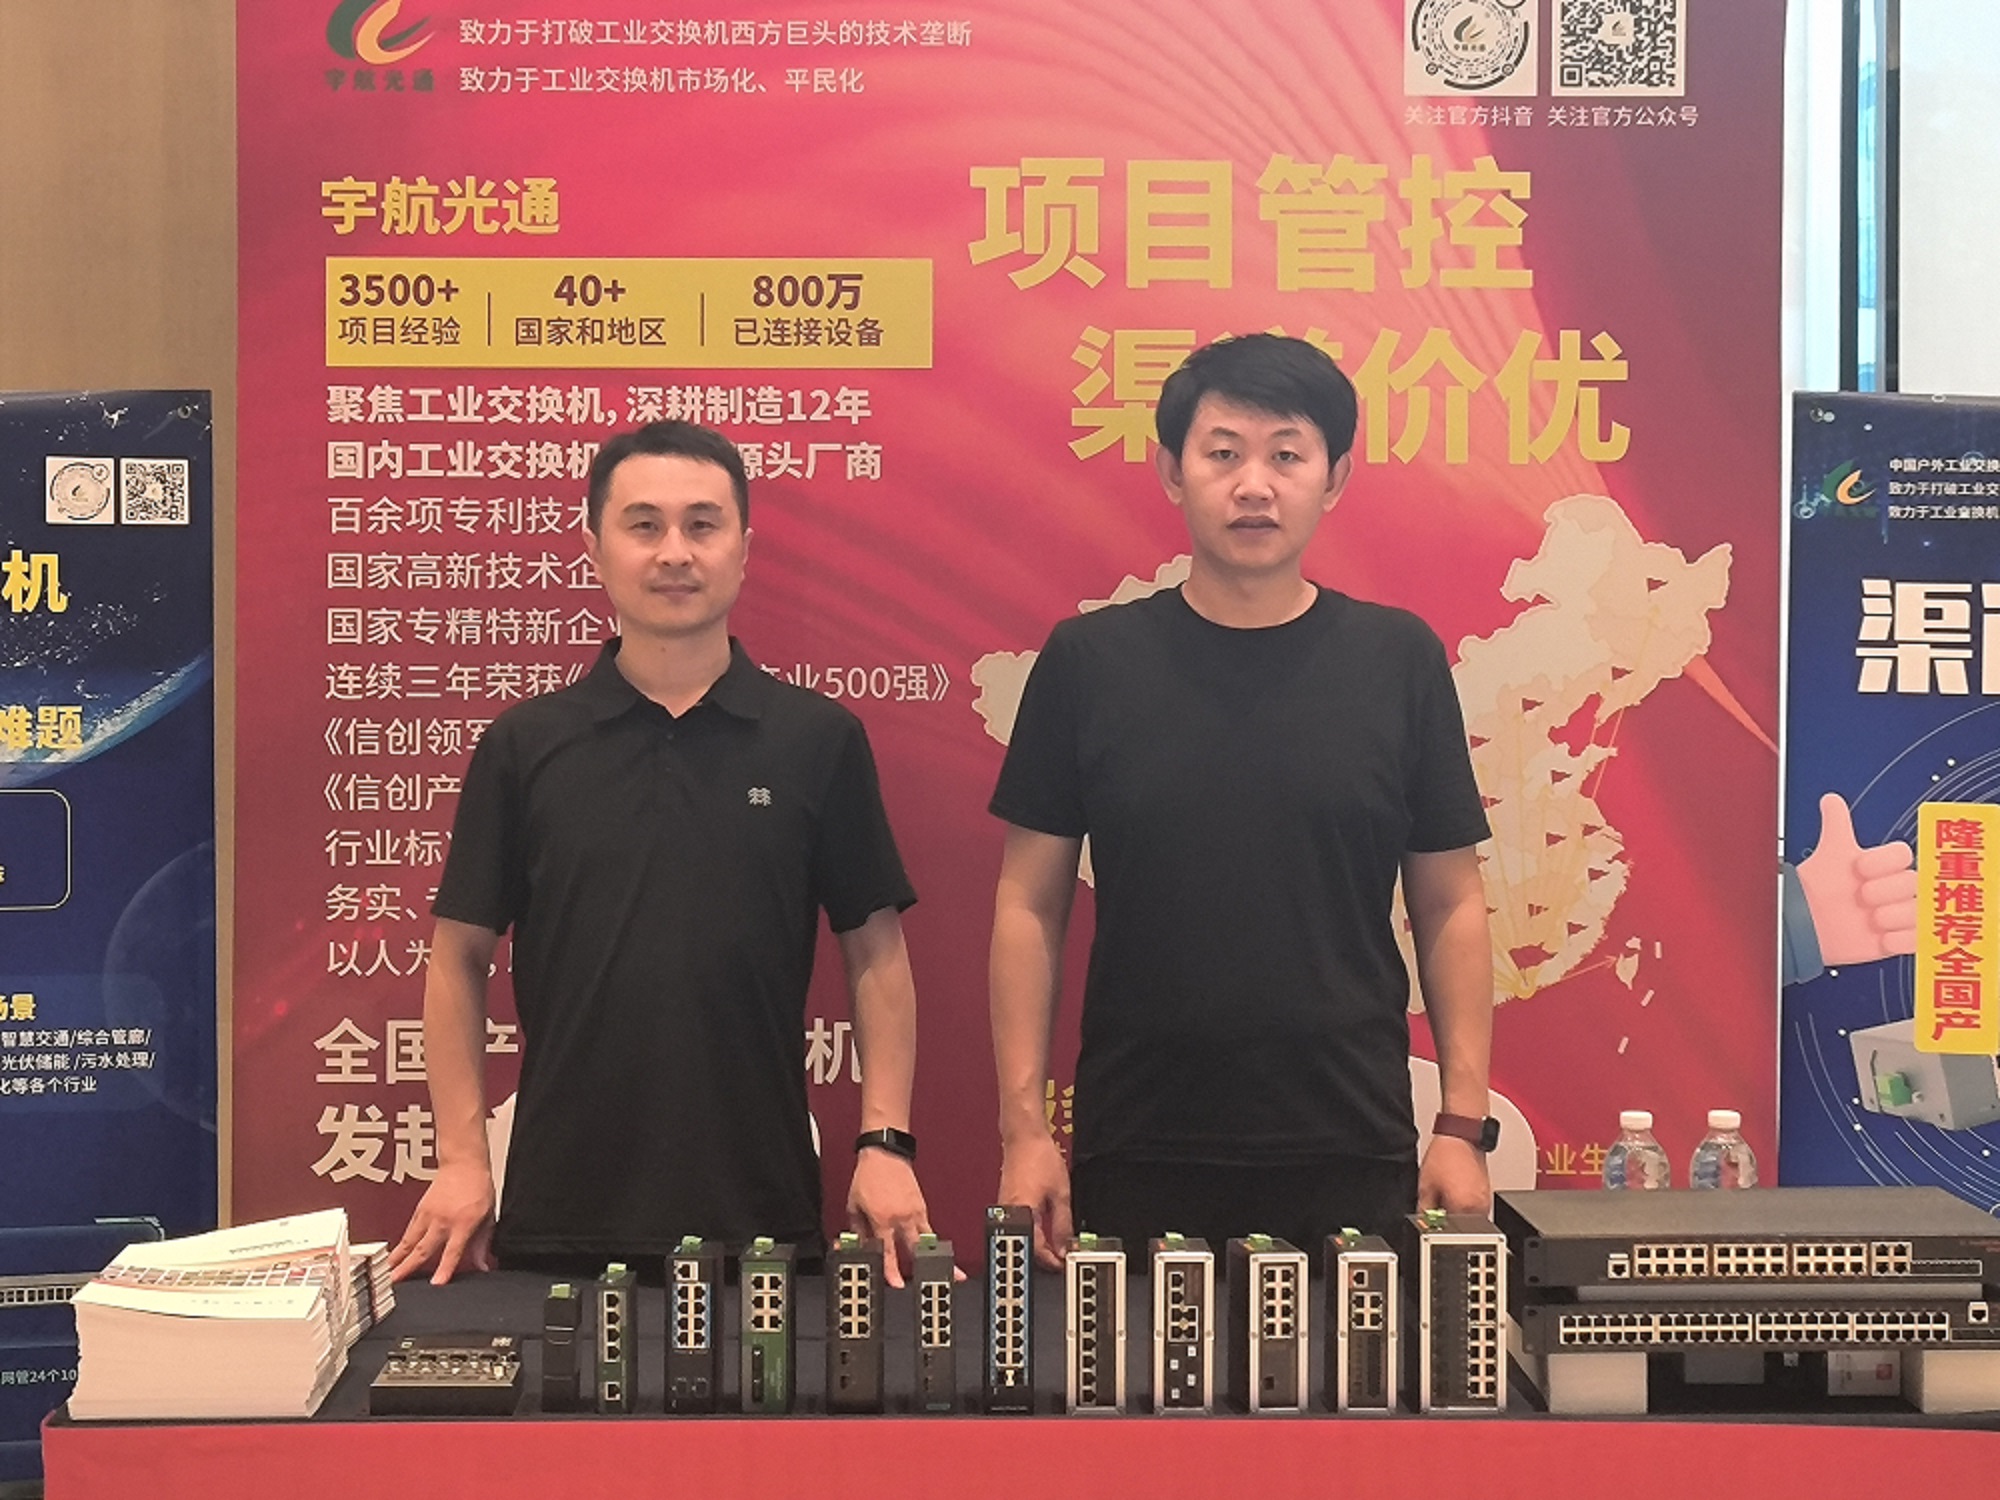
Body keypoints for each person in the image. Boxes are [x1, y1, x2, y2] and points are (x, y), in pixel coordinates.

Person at [387, 420, 938, 1285]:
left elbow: (876, 952)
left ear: (744, 549)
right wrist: (461, 1161)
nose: (674, 551)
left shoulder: (816, 740)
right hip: (560, 1217)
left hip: (761, 1219)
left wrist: (886, 1142)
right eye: (643, 525)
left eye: (702, 525)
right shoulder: (526, 746)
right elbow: (457, 957)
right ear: (595, 549)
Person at [988, 333, 1497, 1268]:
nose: (1253, 485)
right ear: (1171, 473)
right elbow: (1028, 905)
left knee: (1350, 1370)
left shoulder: (1398, 662)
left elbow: (1450, 901)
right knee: (1138, 1369)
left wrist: (1462, 1126)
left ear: (1335, 478)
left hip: (1349, 1139)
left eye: (1286, 456)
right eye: (1222, 453)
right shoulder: (1089, 665)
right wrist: (1024, 1131)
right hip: (1141, 1140)